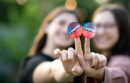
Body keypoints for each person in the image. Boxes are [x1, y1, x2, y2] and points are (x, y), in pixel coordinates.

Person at [55, 4, 130, 83]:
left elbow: (123, 75)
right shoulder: (96, 59)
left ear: (122, 29)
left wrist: (101, 74)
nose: (100, 32)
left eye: (108, 25)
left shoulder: (125, 61)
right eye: (97, 25)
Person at [19, 6, 89, 83]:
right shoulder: (31, 64)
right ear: (47, 27)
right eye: (61, 23)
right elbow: (51, 71)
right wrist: (65, 71)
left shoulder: (79, 68)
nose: (66, 30)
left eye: (73, 27)